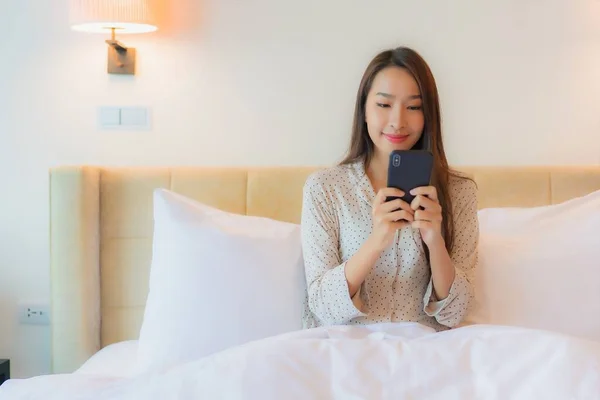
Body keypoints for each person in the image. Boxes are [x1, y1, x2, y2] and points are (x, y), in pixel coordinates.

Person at [300, 46, 479, 332]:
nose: (398, 121)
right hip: (348, 351)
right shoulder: (326, 189)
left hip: (428, 353)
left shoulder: (459, 192)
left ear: (428, 114)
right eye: (384, 105)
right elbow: (322, 306)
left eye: (414, 106)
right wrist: (377, 240)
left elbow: (456, 312)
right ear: (365, 111)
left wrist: (434, 240)